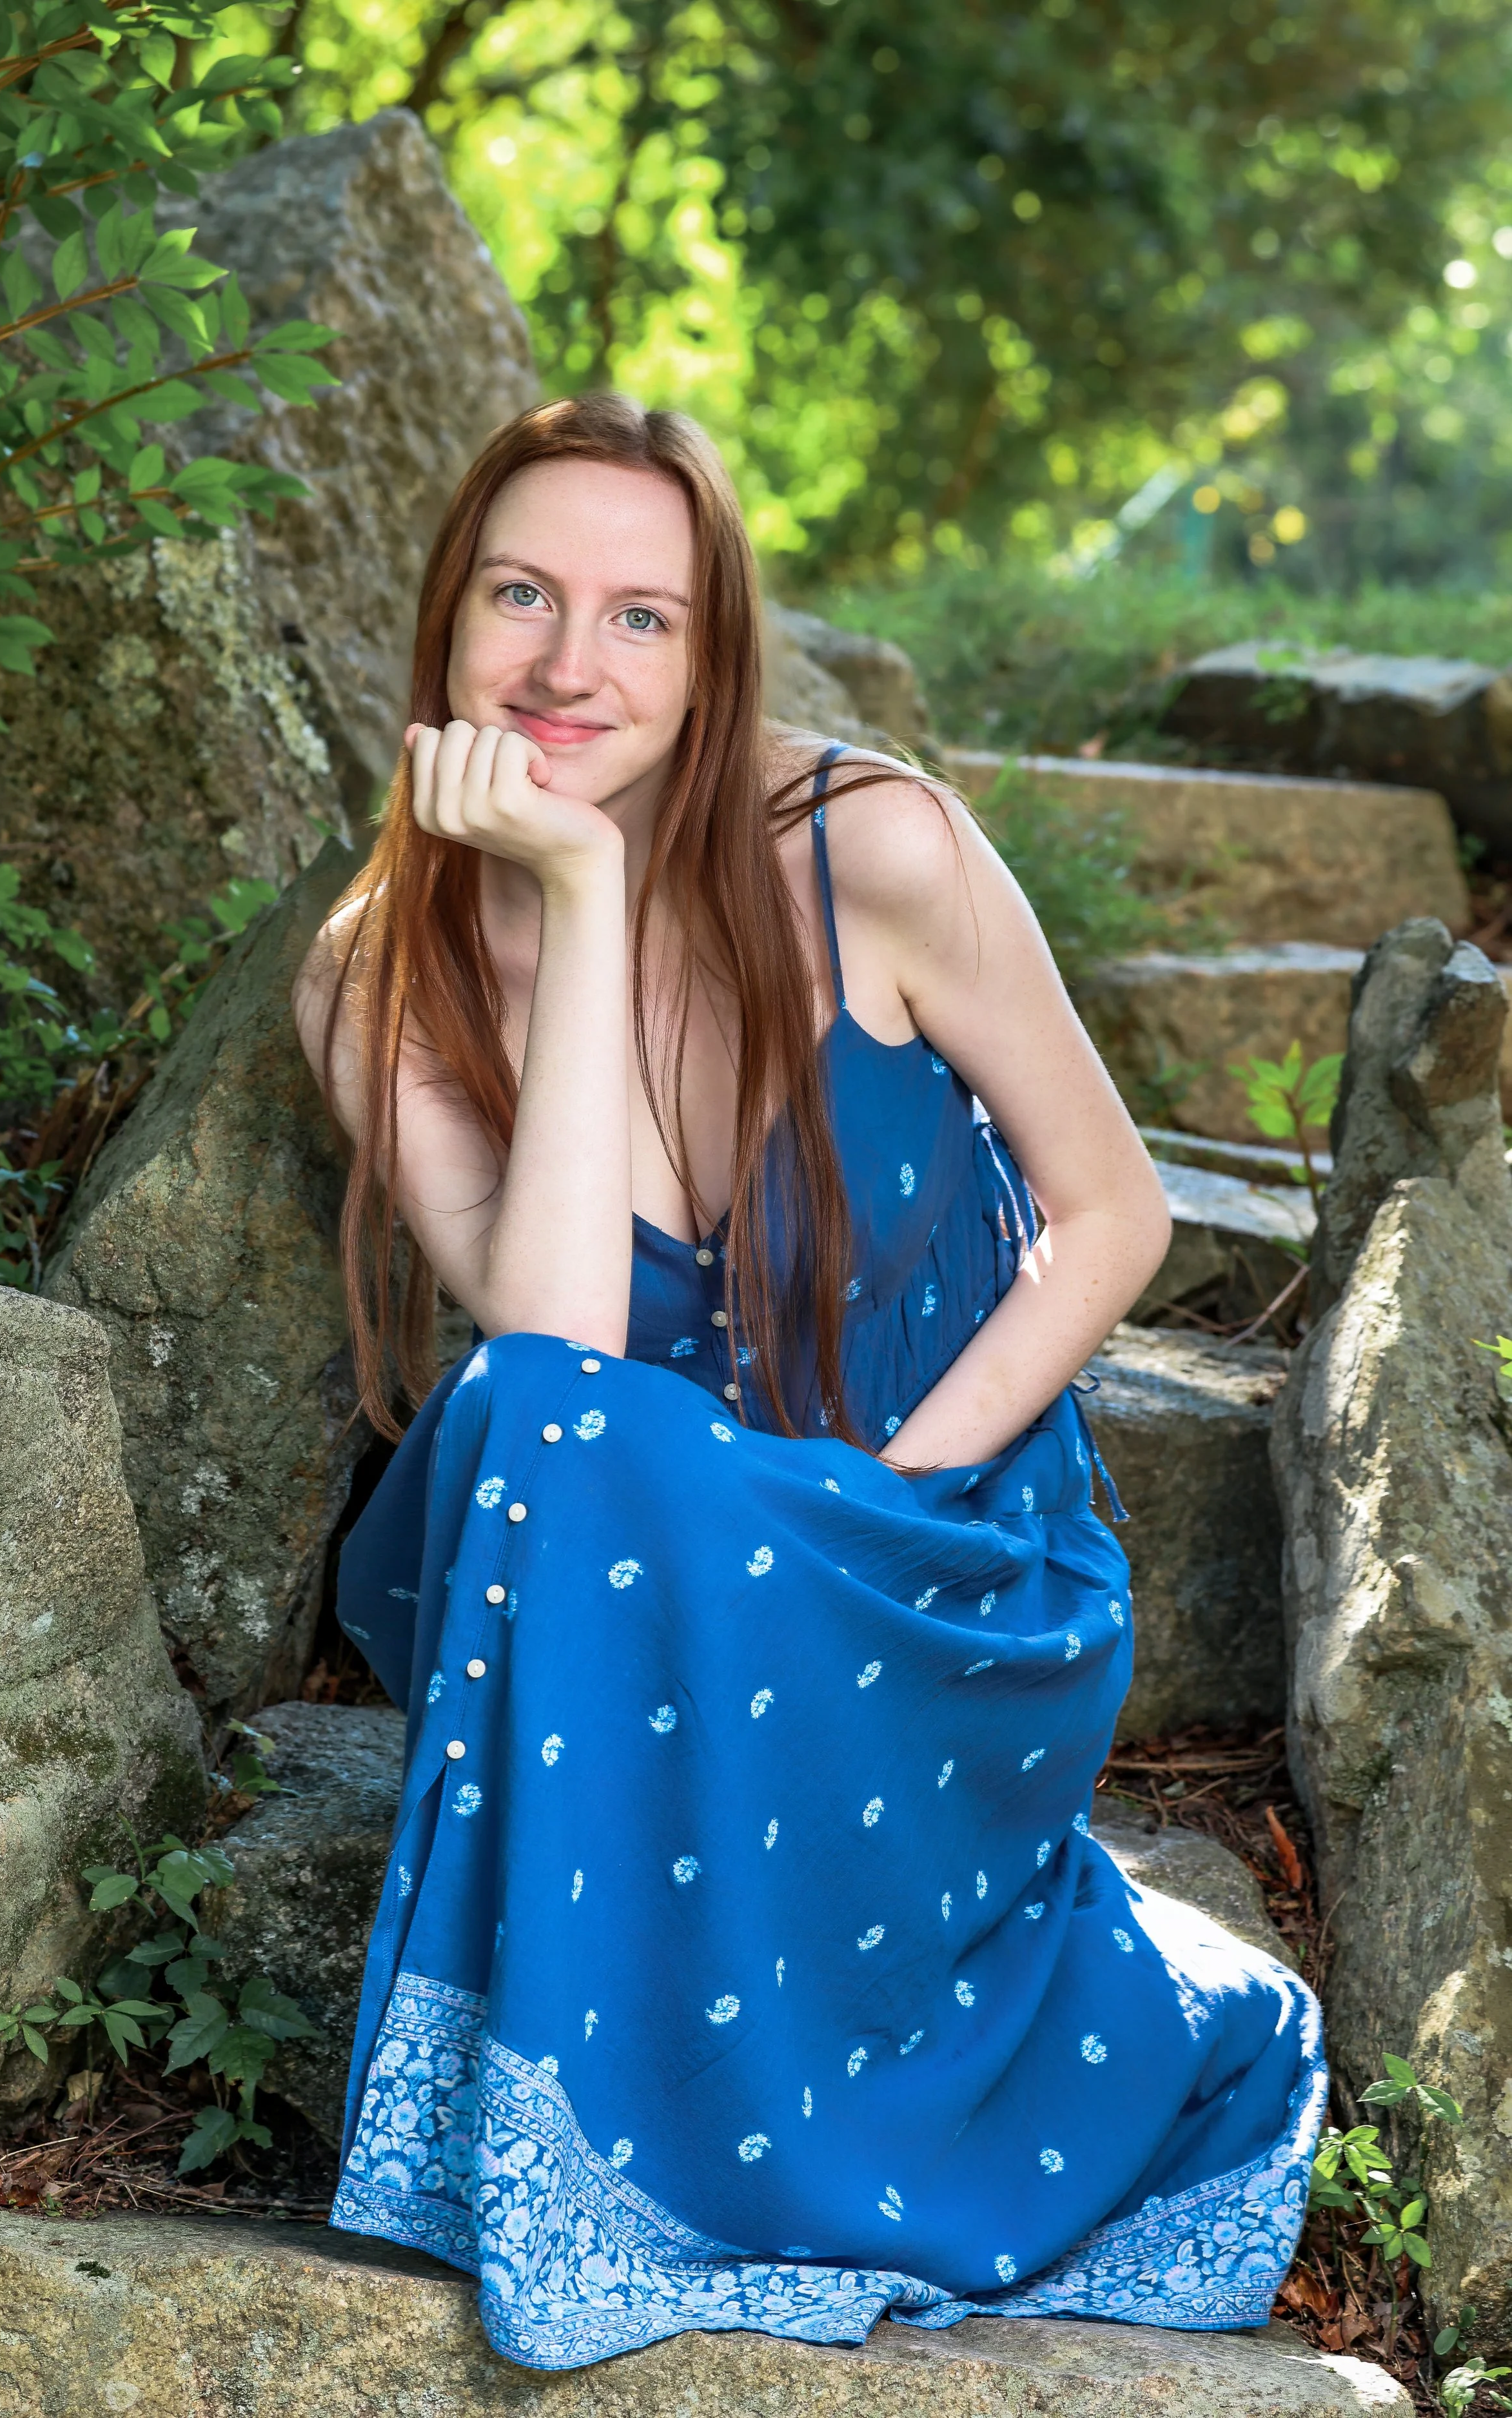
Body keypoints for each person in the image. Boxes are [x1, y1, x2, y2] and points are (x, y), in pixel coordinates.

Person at [293, 392, 1325, 2374]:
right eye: (521, 594)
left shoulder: (876, 848)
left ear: (718, 649)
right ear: (442, 619)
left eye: (639, 617)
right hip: (616, 1571)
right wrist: (578, 897)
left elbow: (1109, 1215)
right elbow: (559, 1344)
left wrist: (898, 1491)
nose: (567, 664)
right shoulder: (382, 970)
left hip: (924, 1548)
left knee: (557, 1432)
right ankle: (563, 2165)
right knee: (527, 1418)